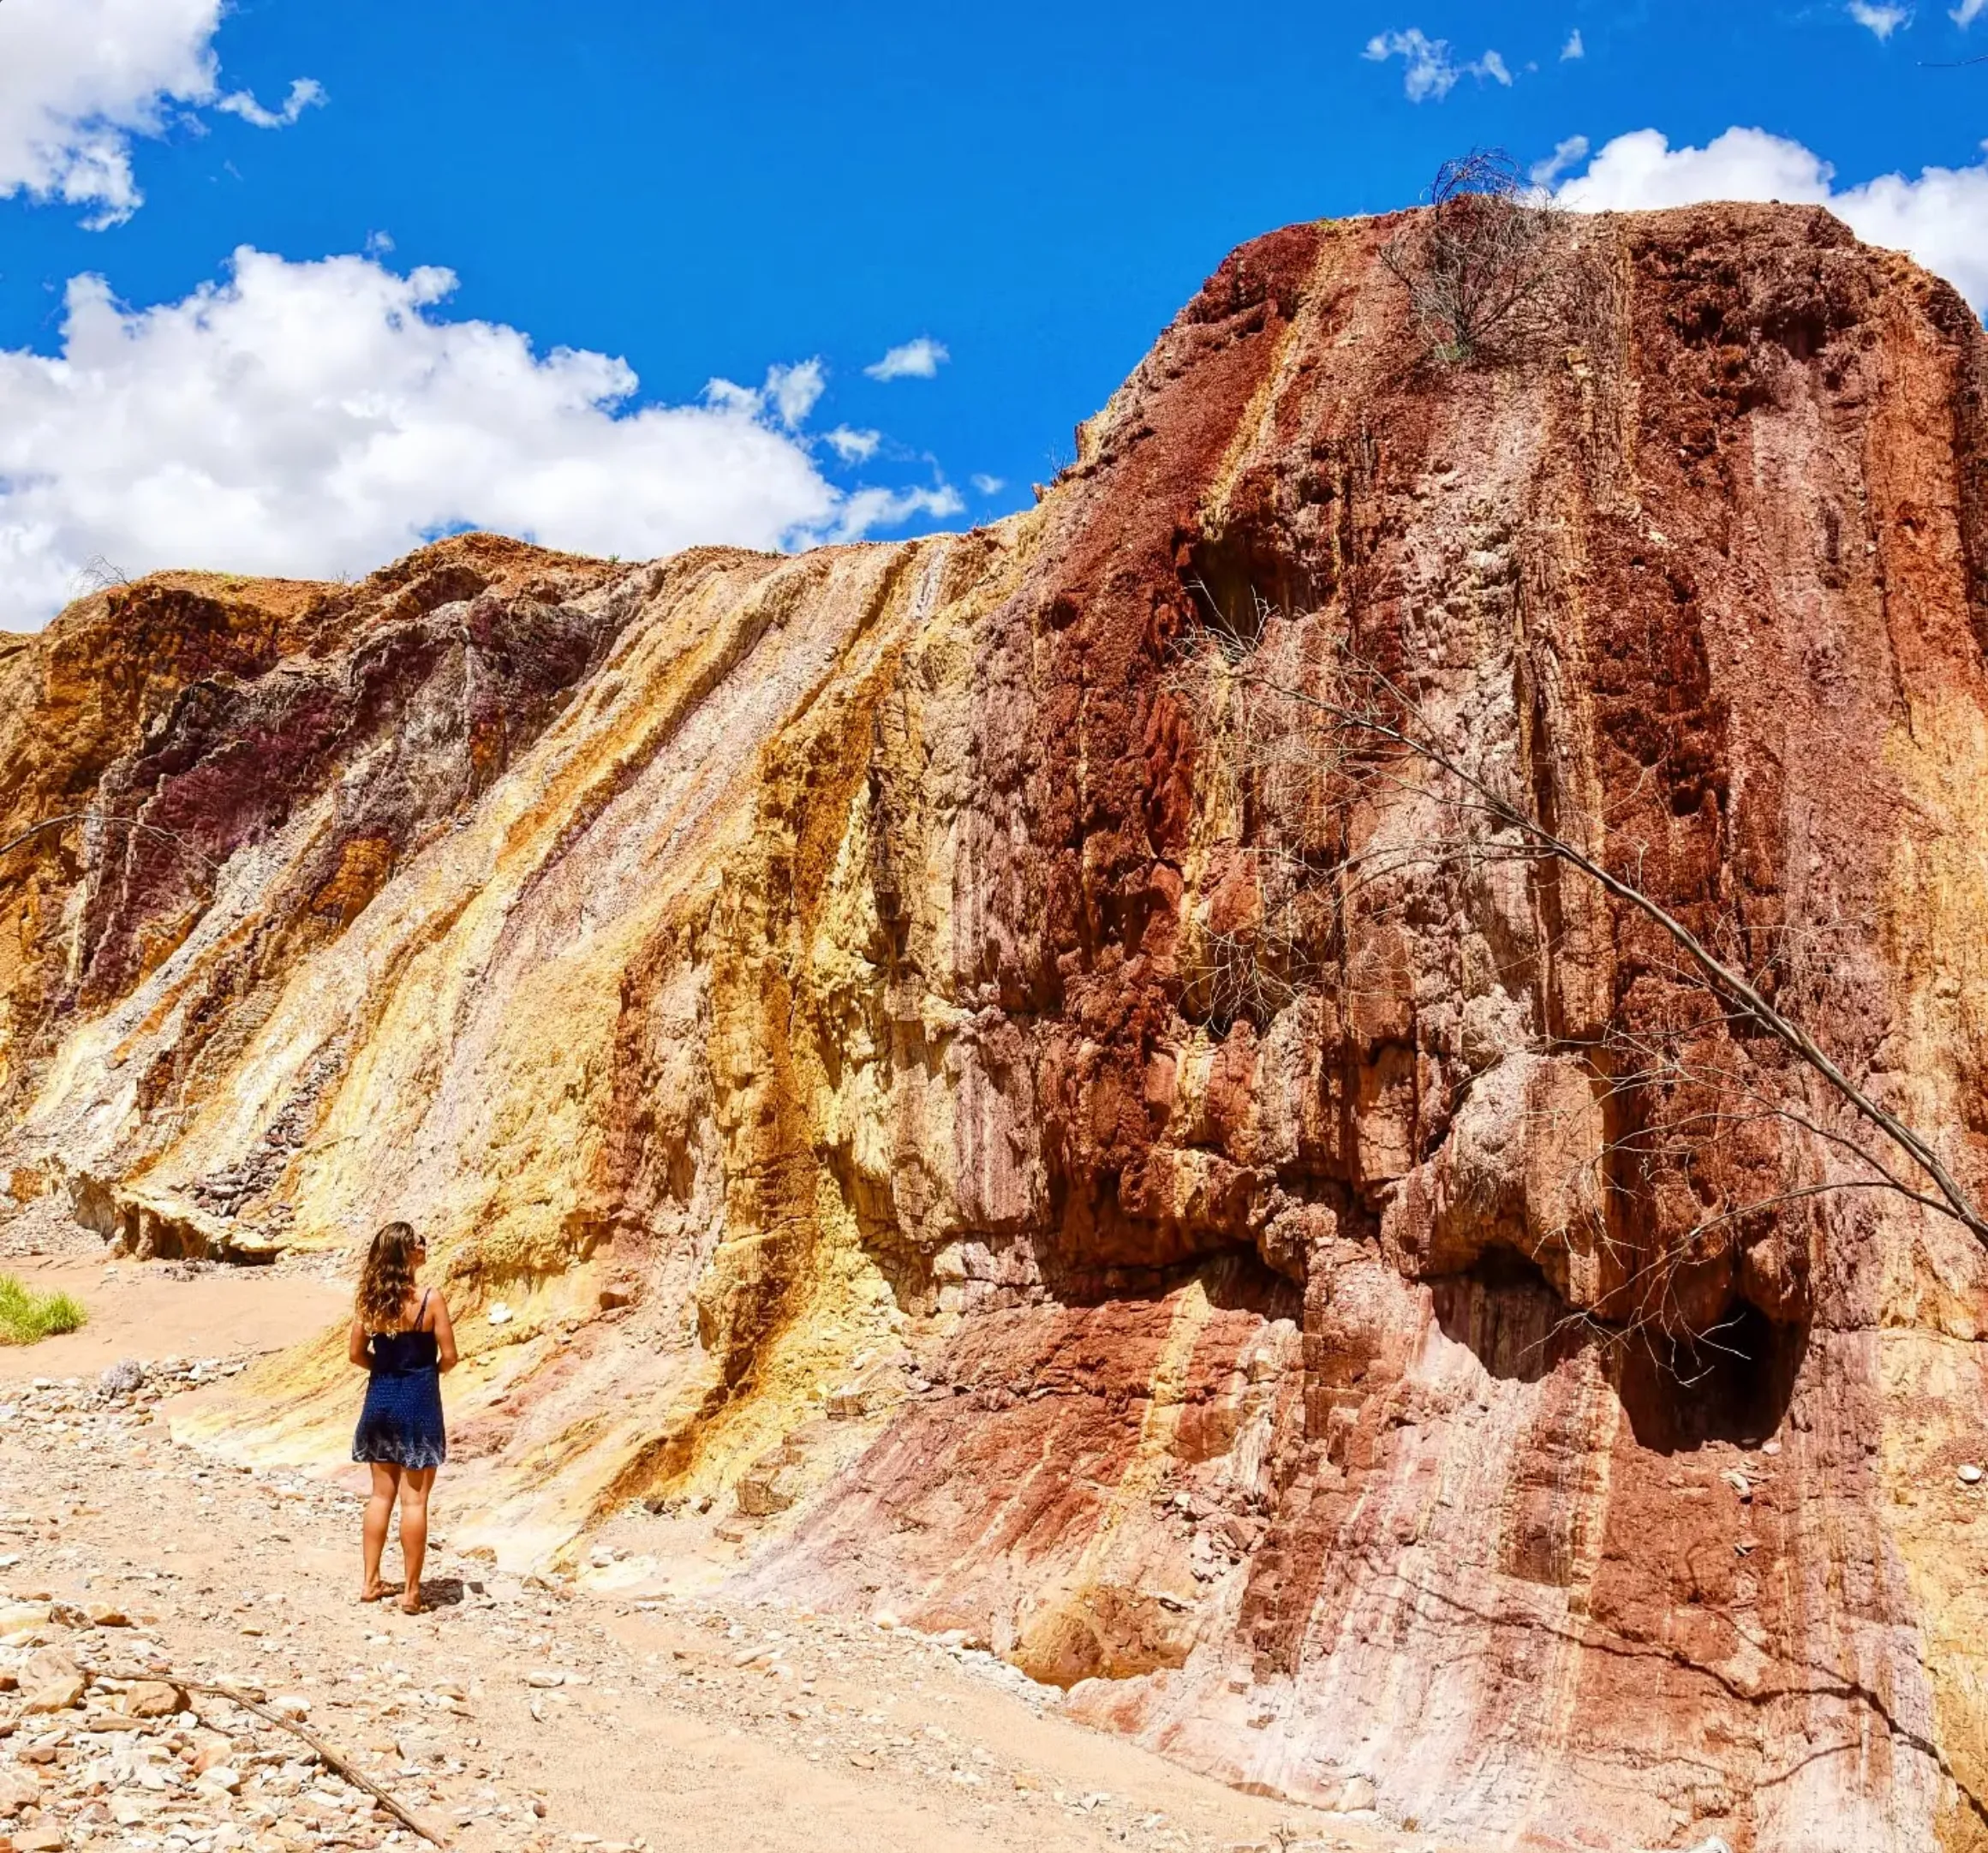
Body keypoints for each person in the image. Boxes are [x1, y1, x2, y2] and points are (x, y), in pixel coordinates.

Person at [348, 1221, 457, 1612]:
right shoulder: (430, 1299)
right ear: (408, 1253)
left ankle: (370, 1581)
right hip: (419, 1401)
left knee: (380, 1496)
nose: (425, 1247)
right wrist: (424, 1373)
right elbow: (450, 1356)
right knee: (414, 1502)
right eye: (419, 1243)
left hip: (380, 1399)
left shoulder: (369, 1299)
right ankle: (411, 1593)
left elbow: (357, 1354)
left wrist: (387, 1369)